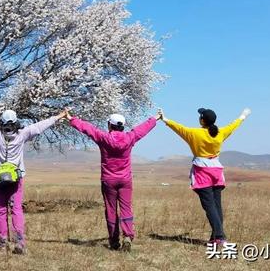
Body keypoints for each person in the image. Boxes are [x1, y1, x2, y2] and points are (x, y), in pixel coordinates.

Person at [0, 104, 69, 254]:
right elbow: (41, 126)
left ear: (1, 122)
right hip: (16, 178)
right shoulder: (23, 134)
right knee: (16, 209)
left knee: (1, 210)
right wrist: (59, 116)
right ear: (16, 122)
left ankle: (3, 243)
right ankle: (19, 242)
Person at [66, 110, 160, 252]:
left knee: (111, 210)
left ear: (109, 125)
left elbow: (88, 129)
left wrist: (71, 118)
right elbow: (142, 130)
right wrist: (155, 119)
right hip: (125, 180)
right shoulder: (130, 137)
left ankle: (114, 241)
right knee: (126, 208)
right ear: (122, 126)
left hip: (108, 180)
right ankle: (127, 236)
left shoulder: (103, 137)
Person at [158, 107, 251, 246]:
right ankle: (215, 238)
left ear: (202, 120)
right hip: (217, 171)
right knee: (216, 205)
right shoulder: (220, 133)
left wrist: (164, 119)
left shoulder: (194, 133)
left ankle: (220, 237)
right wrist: (243, 116)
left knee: (209, 206)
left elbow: (178, 128)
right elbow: (233, 126)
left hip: (202, 171)